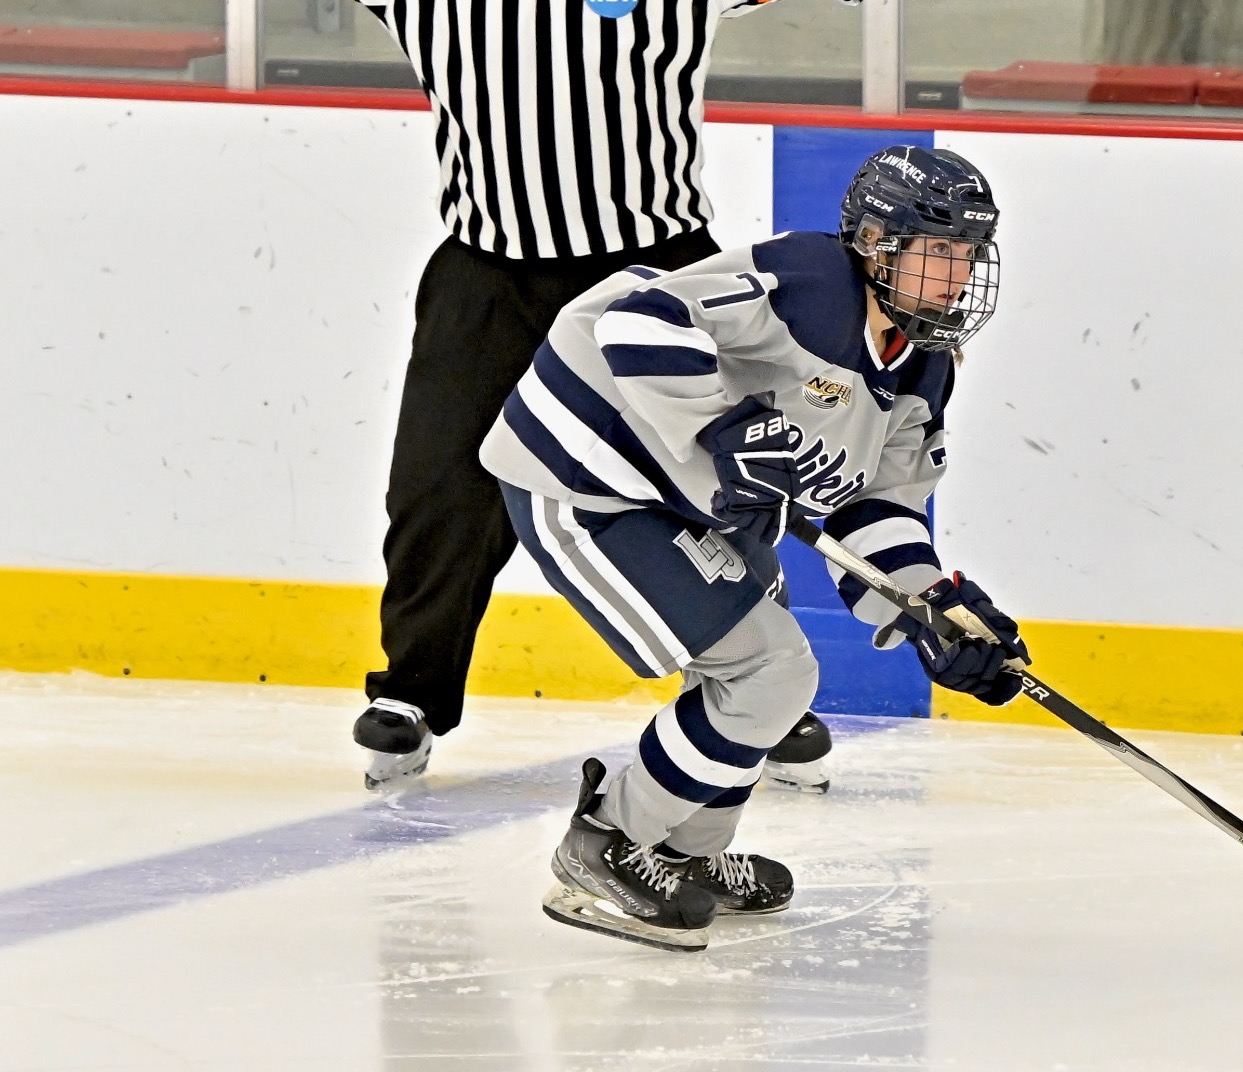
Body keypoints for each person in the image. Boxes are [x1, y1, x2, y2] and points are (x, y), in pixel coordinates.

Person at [477, 145, 1026, 950]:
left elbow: (871, 510)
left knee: (771, 670)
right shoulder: (808, 282)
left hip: (696, 506)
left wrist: (932, 612)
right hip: (588, 474)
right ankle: (604, 839)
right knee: (767, 669)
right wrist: (719, 426)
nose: (957, 275)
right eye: (938, 250)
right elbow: (639, 316)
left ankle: (680, 854)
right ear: (876, 242)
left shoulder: (922, 369)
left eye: (969, 254)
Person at [346, 0, 833, 793]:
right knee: (439, 488)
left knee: (719, 476)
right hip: (491, 274)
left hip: (652, 275)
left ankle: (761, 689)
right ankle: (413, 691)